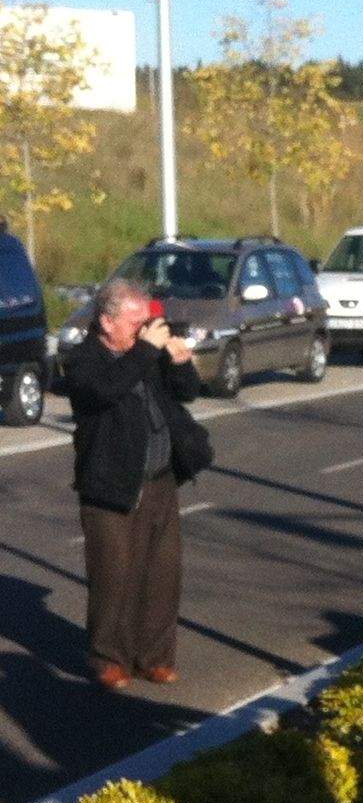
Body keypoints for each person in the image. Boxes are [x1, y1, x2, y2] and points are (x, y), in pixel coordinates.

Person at [65, 278, 212, 688]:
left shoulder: (144, 354)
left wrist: (180, 360)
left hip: (160, 480)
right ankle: (108, 658)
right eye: (134, 322)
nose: (143, 329)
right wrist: (148, 350)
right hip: (111, 487)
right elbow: (104, 391)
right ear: (107, 322)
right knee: (114, 577)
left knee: (163, 575)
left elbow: (187, 394)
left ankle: (154, 656)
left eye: (146, 321)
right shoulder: (83, 360)